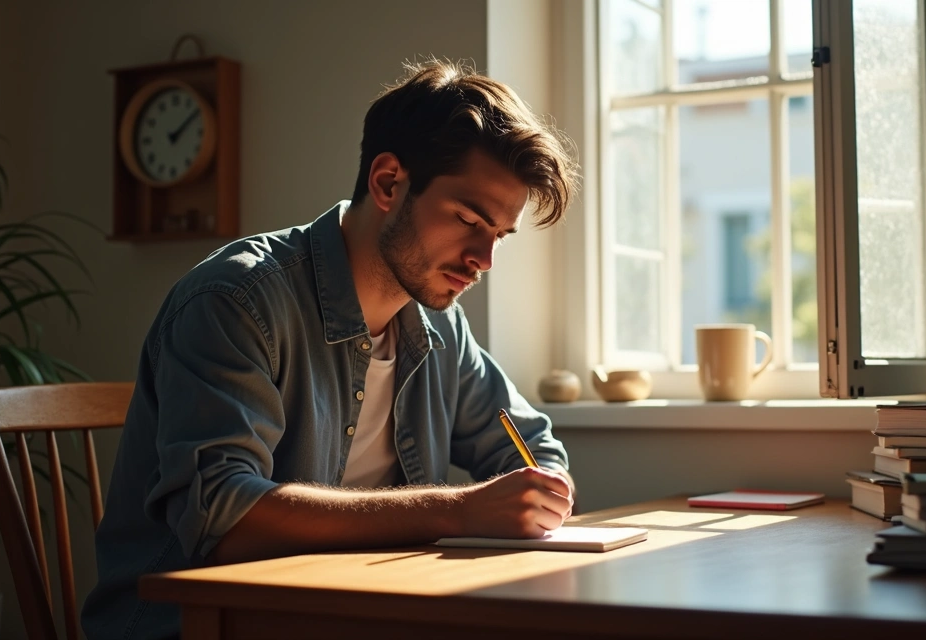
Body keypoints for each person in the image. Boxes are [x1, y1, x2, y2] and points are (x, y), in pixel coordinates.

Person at [81, 59, 580, 640]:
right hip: (195, 627)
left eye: (498, 235)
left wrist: (540, 489)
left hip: (351, 615)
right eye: (469, 219)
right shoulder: (235, 302)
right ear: (389, 182)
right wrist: (460, 510)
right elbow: (226, 515)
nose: (483, 260)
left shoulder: (441, 331)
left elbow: (533, 448)